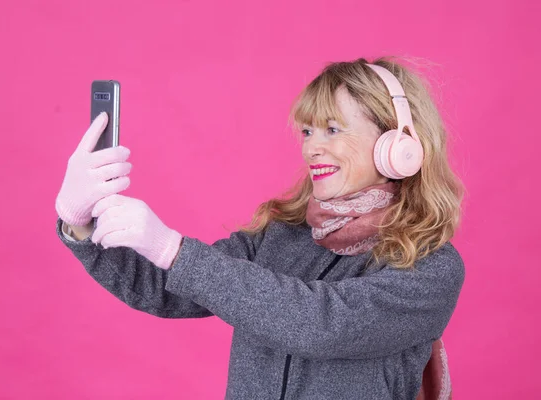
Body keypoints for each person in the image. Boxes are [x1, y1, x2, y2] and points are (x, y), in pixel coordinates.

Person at [54, 57, 465, 400]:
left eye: (332, 130)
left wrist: (175, 250)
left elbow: (322, 324)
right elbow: (164, 289)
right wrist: (80, 224)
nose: (310, 148)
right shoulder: (281, 237)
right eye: (306, 132)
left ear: (398, 145)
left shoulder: (431, 267)